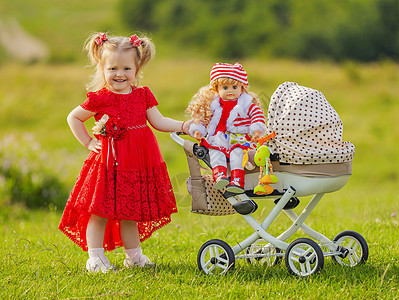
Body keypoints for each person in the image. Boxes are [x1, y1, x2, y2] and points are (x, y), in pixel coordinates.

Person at [59, 32, 190, 273]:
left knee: (130, 211)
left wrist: (184, 126)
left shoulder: (142, 95)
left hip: (137, 161)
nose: (119, 74)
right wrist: (88, 142)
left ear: (137, 68)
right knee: (100, 210)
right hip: (109, 162)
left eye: (126, 68)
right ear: (103, 68)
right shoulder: (101, 98)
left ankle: (134, 256)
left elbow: (159, 121)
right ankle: (95, 259)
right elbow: (74, 117)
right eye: (113, 68)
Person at [186, 62, 266, 193]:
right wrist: (198, 129)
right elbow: (204, 119)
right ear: (217, 89)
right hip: (217, 138)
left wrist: (256, 129)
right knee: (215, 153)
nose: (230, 91)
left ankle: (237, 181)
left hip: (239, 139)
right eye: (225, 87)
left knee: (237, 155)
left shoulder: (246, 103)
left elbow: (257, 115)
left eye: (234, 87)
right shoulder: (213, 105)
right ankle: (220, 176)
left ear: (242, 88)